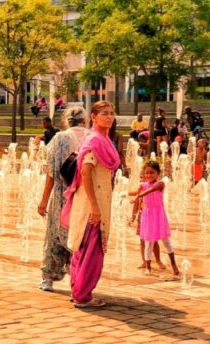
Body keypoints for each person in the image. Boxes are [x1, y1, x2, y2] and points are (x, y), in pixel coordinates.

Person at [64, 100, 120, 308]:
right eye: (104, 113)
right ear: (93, 118)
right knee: (91, 250)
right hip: (91, 203)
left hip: (99, 200)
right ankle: (82, 294)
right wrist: (95, 207)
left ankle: (79, 289)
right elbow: (85, 172)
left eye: (112, 113)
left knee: (84, 247)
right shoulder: (94, 141)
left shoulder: (103, 139)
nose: (109, 116)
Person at [36, 105, 87, 292]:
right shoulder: (93, 138)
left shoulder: (60, 138)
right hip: (84, 197)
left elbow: (51, 173)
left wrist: (43, 201)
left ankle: (48, 278)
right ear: (86, 120)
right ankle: (79, 279)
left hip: (60, 196)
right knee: (81, 238)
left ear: (67, 120)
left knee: (54, 236)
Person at [130, 160, 179, 277]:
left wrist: (139, 195)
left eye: (152, 173)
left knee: (166, 241)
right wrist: (123, 193)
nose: (148, 175)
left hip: (158, 214)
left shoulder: (161, 183)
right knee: (148, 242)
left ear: (158, 173)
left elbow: (151, 190)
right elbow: (136, 193)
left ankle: (173, 264)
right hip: (147, 215)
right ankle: (148, 267)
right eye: (146, 173)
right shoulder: (142, 185)